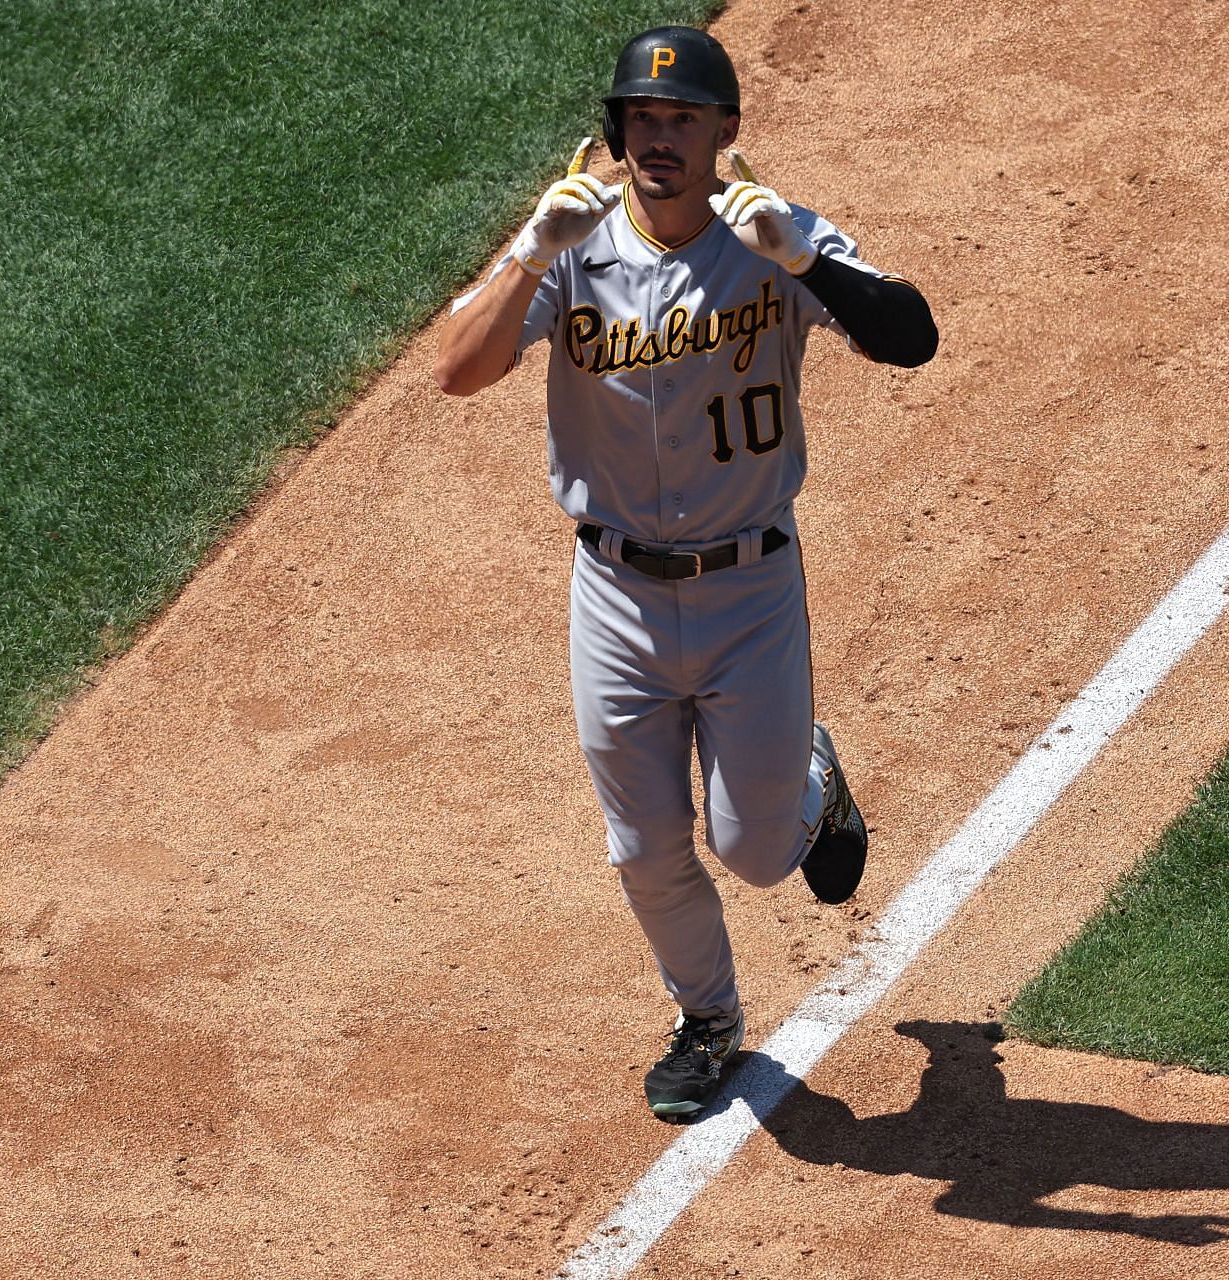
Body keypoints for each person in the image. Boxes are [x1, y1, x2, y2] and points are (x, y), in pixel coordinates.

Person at [434, 26, 938, 1118]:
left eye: (685, 119)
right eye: (643, 118)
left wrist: (805, 259)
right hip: (613, 592)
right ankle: (706, 1018)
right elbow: (456, 372)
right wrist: (527, 249)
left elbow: (912, 338)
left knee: (754, 852)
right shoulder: (570, 240)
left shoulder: (773, 235)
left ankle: (810, 780)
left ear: (726, 134)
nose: (660, 138)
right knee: (644, 842)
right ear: (617, 131)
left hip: (750, 592)